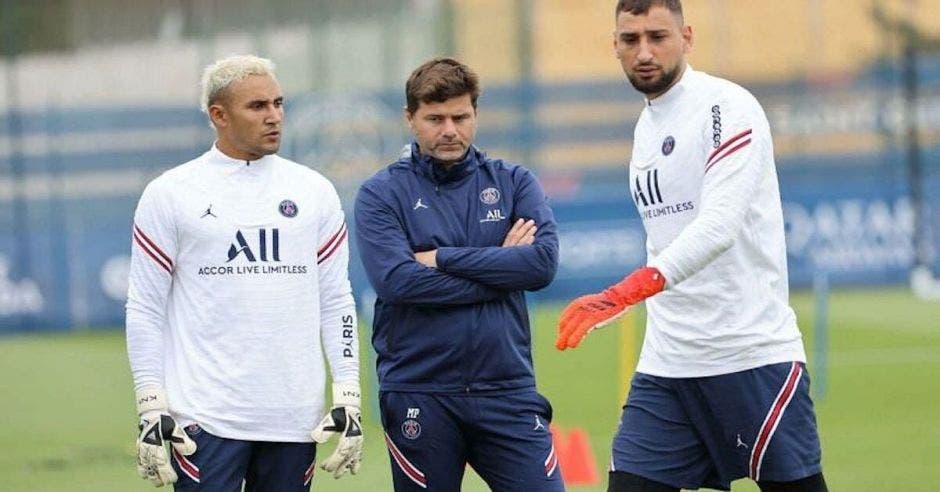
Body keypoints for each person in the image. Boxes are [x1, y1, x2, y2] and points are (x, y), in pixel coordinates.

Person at [555, 2, 828, 491]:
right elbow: (663, 237)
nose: (643, 51)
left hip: (750, 354)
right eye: (629, 39)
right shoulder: (645, 126)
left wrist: (625, 292)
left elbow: (718, 225)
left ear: (687, 36)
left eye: (657, 36)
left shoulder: (727, 107)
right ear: (613, 45)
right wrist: (628, 303)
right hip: (669, 362)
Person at [125, 54, 363, 491]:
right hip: (204, 418)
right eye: (258, 106)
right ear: (219, 115)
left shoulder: (314, 191)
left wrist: (349, 391)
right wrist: (150, 402)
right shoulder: (170, 193)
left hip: (295, 419)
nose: (274, 116)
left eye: (278, 103)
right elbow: (144, 306)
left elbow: (336, 300)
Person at [355, 57, 563, 491]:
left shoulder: (513, 182)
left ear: (475, 115)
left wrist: (443, 258)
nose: (449, 129)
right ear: (410, 118)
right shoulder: (381, 193)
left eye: (460, 117)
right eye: (435, 118)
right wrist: (502, 266)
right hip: (420, 392)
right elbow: (399, 282)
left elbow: (541, 265)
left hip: (506, 389)